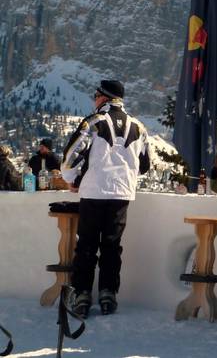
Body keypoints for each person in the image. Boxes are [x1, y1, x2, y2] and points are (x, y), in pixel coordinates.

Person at [61, 79, 150, 318]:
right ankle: (108, 295)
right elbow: (145, 165)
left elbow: (71, 155)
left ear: (104, 97)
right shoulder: (139, 126)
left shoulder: (94, 121)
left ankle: (82, 295)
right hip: (122, 194)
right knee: (112, 246)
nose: (94, 100)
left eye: (96, 95)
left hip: (94, 191)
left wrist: (71, 179)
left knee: (87, 245)